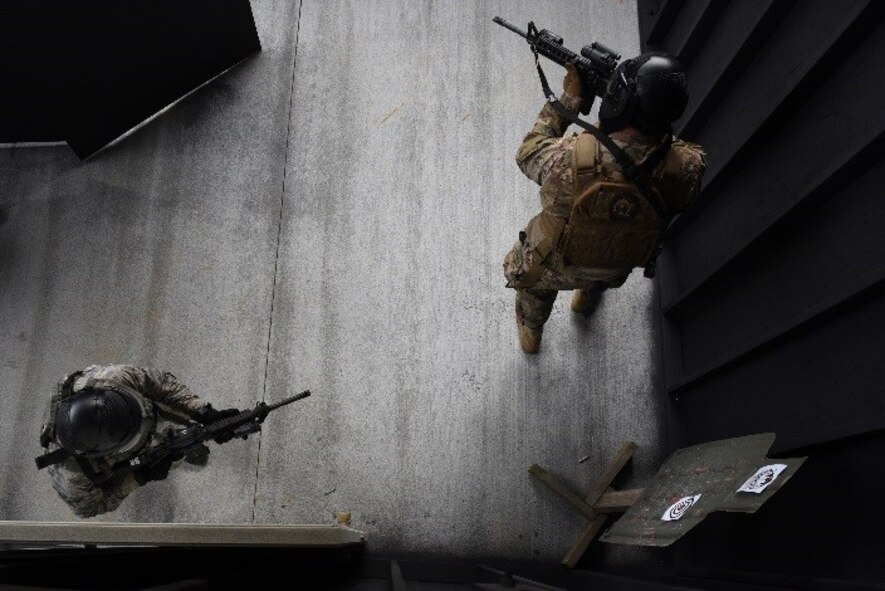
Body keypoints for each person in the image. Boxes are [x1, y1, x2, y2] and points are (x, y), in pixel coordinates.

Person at [503, 52, 707, 353]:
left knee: (533, 287)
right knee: (601, 260)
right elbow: (678, 187)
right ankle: (585, 298)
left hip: (556, 262)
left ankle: (532, 334)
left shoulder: (567, 159)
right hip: (615, 265)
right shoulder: (688, 167)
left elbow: (528, 152)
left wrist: (571, 98)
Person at [38, 364, 239, 518]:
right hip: (108, 461)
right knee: (163, 458)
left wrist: (203, 411)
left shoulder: (114, 379)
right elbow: (90, 508)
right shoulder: (72, 476)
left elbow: (161, 385)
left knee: (176, 423)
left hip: (131, 410)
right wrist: (136, 478)